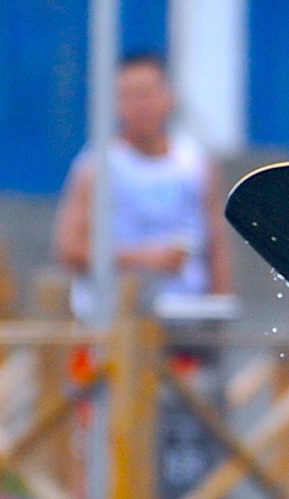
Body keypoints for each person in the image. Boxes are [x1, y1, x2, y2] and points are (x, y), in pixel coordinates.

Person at [53, 52, 229, 319]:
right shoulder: (97, 166)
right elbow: (69, 249)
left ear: (168, 97)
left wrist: (220, 308)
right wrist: (144, 259)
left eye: (147, 93)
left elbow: (216, 245)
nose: (140, 106)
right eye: (128, 96)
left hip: (186, 320)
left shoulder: (195, 164)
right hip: (113, 319)